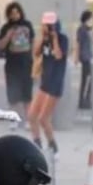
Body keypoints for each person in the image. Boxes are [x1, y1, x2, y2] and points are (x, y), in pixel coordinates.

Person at [29, 12, 68, 155]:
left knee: (43, 118)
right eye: (45, 24)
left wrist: (54, 37)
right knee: (32, 115)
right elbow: (36, 52)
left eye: (50, 25)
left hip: (55, 84)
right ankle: (37, 143)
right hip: (45, 82)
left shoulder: (63, 39)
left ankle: (53, 146)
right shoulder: (44, 39)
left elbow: (58, 55)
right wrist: (43, 37)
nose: (47, 27)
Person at [0, 2, 35, 130]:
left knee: (27, 95)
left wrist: (35, 61)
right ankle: (13, 120)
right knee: (13, 94)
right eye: (12, 13)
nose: (15, 15)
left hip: (26, 63)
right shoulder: (5, 27)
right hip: (12, 65)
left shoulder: (27, 25)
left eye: (17, 12)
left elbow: (33, 43)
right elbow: (1, 46)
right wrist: (9, 35)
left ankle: (28, 120)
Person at [76, 10, 93, 110]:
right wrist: (77, 57)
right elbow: (79, 43)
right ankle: (83, 101)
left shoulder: (88, 29)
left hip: (89, 57)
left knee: (89, 80)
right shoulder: (81, 29)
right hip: (85, 57)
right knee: (86, 80)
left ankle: (86, 99)